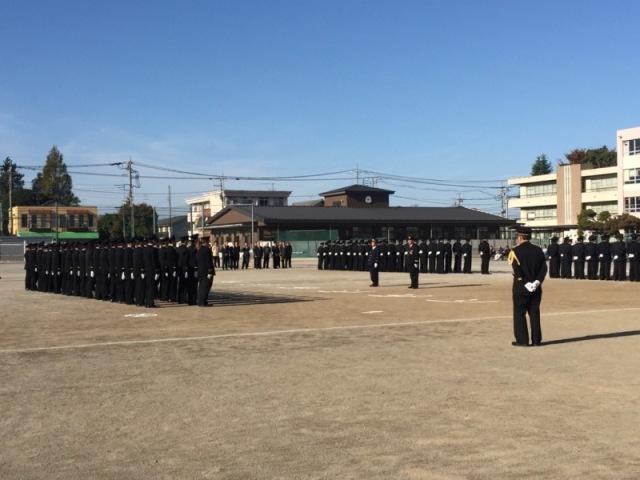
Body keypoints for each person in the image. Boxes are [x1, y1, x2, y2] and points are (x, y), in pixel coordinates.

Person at [508, 225, 548, 347]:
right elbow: (544, 268)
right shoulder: (538, 250)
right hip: (536, 288)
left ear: (520, 237)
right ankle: (536, 340)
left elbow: (517, 271)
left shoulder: (515, 251)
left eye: (517, 237)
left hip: (521, 287)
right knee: (534, 313)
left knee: (519, 313)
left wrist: (526, 283)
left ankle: (522, 340)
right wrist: (537, 282)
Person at [196, 239, 215, 307]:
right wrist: (210, 271)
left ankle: (200, 301)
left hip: (200, 272)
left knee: (201, 287)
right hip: (206, 272)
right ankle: (203, 302)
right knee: (206, 287)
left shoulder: (199, 250)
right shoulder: (206, 250)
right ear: (206, 242)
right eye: (208, 242)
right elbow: (208, 261)